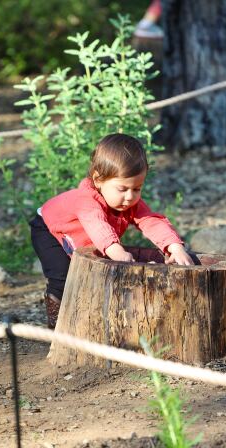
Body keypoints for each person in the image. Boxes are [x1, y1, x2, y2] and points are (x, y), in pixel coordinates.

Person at [29, 133, 194, 329]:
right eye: (122, 189)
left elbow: (150, 221)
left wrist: (174, 247)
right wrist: (116, 251)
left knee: (92, 273)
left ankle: (90, 319)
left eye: (137, 189)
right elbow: (97, 225)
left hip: (81, 238)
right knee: (62, 275)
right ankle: (57, 322)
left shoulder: (130, 202)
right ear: (98, 180)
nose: (130, 197)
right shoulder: (86, 200)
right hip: (49, 230)